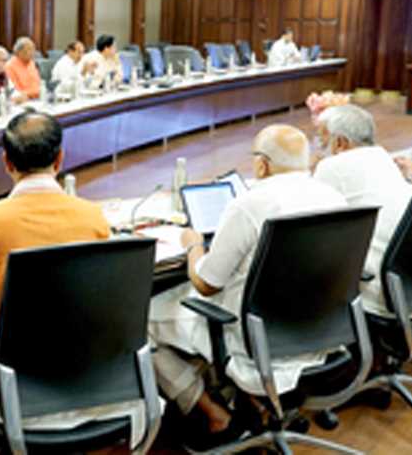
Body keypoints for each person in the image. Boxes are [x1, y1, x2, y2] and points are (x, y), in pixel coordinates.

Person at [0, 111, 153, 452]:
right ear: (60, 159)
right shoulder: (94, 218)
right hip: (92, 377)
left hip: (13, 383)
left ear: (6, 162)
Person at [148, 125, 347, 444]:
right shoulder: (335, 198)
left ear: (262, 165)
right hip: (321, 332)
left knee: (144, 320)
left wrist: (193, 245)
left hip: (259, 343)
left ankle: (215, 415)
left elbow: (206, 284)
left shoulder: (250, 205)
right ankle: (250, 399)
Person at [313, 105, 412, 317]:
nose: (317, 145)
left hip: (378, 291)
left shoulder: (332, 166)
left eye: (321, 138)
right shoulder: (383, 157)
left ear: (340, 142)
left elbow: (309, 219)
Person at [4, 36, 41, 102]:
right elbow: (15, 91)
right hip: (23, 101)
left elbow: (38, 84)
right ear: (19, 52)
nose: (33, 52)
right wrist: (35, 92)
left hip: (38, 98)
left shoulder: (32, 63)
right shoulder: (10, 66)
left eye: (33, 49)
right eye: (29, 49)